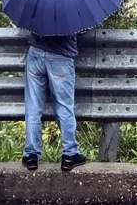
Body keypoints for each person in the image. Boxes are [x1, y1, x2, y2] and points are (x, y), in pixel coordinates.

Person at [22, 31, 88, 172]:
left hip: (36, 53)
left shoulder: (38, 8)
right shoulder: (72, 10)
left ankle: (31, 156)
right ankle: (69, 154)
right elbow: (82, 28)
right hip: (61, 57)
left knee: (33, 106)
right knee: (64, 106)